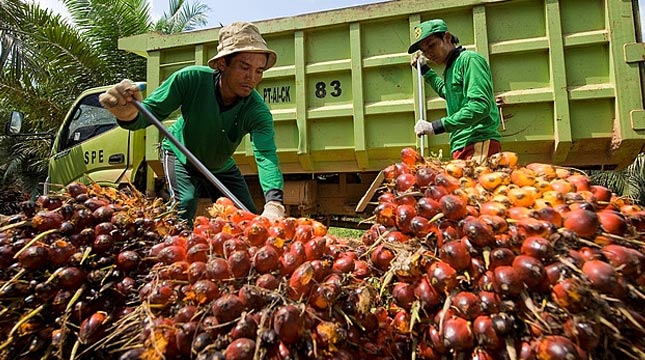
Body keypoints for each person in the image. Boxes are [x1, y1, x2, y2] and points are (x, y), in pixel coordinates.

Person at [99, 22, 286, 223]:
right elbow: (150, 113)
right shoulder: (190, 80)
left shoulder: (257, 111)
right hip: (180, 155)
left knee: (246, 219)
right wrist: (128, 115)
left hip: (220, 166)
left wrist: (274, 203)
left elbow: (266, 155)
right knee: (184, 205)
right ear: (222, 63)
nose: (252, 78)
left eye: (259, 71)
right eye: (244, 67)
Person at [410, 19, 502, 162]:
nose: (429, 54)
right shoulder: (450, 68)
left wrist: (436, 126)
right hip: (461, 145)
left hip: (478, 141)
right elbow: (448, 93)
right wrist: (426, 71)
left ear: (447, 37)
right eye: (424, 51)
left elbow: (480, 106)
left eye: (432, 46)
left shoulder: (469, 60)